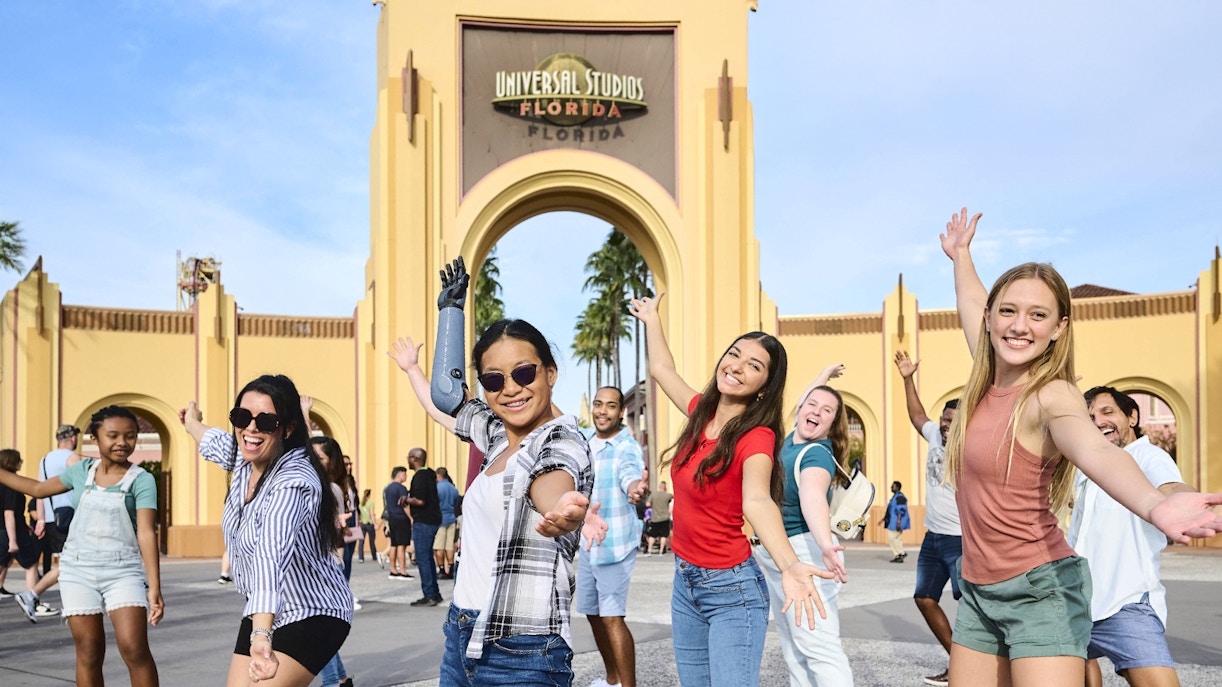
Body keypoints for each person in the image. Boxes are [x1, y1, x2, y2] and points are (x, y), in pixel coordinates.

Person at [939, 207, 1222, 687]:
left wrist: (1155, 505)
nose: (1019, 325)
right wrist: (961, 255)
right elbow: (969, 299)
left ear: (1058, 328)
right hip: (979, 590)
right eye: (1007, 310)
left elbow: (1097, 452)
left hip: (1039, 591)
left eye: (1038, 315)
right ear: (989, 318)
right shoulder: (985, 379)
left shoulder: (1051, 395)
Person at [388, 256, 605, 686]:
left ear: (550, 372)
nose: (511, 388)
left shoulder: (562, 441)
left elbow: (551, 478)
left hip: (523, 648)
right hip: (461, 632)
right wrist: (449, 315)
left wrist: (561, 508)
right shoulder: (497, 436)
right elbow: (445, 401)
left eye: (524, 372)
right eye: (493, 380)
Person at [628, 292, 832, 687]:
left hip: (731, 591)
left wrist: (789, 564)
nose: (736, 366)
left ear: (764, 387)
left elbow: (757, 500)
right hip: (685, 582)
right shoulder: (700, 413)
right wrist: (653, 319)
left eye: (753, 365)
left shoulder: (756, 437)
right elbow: (662, 369)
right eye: (734, 354)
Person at [180, 374, 352, 687]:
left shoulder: (293, 482)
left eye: (266, 421)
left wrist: (261, 635)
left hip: (313, 610)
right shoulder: (245, 457)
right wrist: (191, 421)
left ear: (289, 427)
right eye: (241, 417)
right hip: (265, 607)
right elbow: (212, 440)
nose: (251, 429)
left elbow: (270, 555)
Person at [0, 407, 162, 686]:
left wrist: (155, 587)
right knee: (88, 651)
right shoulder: (81, 471)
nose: (122, 442)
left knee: (134, 648)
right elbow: (37, 489)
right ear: (94, 439)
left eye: (130, 436)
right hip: (77, 571)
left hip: (123, 571)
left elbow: (147, 533)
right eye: (113, 435)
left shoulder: (142, 479)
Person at [1071, 387, 1191, 687]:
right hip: (1074, 602)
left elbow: (1170, 486)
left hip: (1126, 603)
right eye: (1090, 417)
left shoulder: (1148, 456)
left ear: (1132, 417)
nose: (1098, 422)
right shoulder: (1086, 465)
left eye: (1107, 412)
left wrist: (1185, 500)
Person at [753, 368, 855, 687]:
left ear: (832, 424)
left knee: (818, 647)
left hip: (805, 552)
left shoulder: (816, 455)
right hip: (781, 555)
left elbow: (813, 499)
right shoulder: (790, 440)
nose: (816, 412)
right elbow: (805, 401)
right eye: (812, 405)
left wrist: (825, 544)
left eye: (827, 411)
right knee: (794, 646)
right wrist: (823, 376)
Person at [894, 350, 961, 687]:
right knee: (924, 597)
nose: (946, 426)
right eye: (945, 419)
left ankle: (984, 669)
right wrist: (908, 379)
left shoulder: (972, 447)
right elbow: (917, 414)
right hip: (934, 536)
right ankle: (960, 664)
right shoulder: (936, 434)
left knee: (973, 608)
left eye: (953, 422)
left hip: (963, 539)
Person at [579, 385, 649, 687]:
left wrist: (635, 488)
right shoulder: (584, 441)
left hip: (615, 543)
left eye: (610, 406)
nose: (602, 411)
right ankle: (612, 681)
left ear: (621, 412)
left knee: (611, 616)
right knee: (593, 614)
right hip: (588, 543)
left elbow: (630, 473)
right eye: (598, 404)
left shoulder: (626, 446)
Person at [310, 434, 358, 687]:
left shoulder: (328, 489)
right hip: (321, 564)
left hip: (323, 566)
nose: (312, 460)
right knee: (320, 629)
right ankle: (341, 678)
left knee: (317, 631)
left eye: (319, 457)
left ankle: (331, 682)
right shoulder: (325, 486)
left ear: (332, 462)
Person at [406, 447, 443, 606]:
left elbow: (420, 500)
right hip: (433, 519)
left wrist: (406, 499)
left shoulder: (419, 476)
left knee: (423, 558)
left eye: (409, 457)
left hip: (424, 521)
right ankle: (434, 592)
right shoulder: (430, 474)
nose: (407, 460)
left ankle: (429, 594)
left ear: (415, 458)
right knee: (427, 557)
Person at [383, 466, 414, 580]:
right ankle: (403, 571)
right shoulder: (401, 488)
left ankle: (393, 570)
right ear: (400, 474)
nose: (406, 476)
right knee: (402, 545)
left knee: (393, 544)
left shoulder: (387, 488)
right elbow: (405, 504)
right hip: (401, 518)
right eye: (405, 474)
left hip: (392, 518)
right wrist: (411, 518)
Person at [434, 467, 460, 579]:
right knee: (449, 546)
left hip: (440, 519)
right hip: (451, 518)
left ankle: (441, 570)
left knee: (439, 546)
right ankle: (451, 568)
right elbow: (456, 502)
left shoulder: (437, 488)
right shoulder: (453, 488)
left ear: (438, 475)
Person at [881, 481, 910, 563]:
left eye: (893, 486)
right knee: (897, 538)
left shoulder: (900, 497)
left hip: (896, 522)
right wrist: (883, 519)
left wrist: (898, 522)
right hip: (893, 521)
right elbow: (890, 510)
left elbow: (900, 510)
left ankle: (901, 553)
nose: (891, 488)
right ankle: (898, 556)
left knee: (891, 537)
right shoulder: (895, 497)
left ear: (897, 487)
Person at [645, 481, 673, 555]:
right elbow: (673, 498)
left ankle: (649, 551)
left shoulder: (653, 494)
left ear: (659, 487)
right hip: (665, 518)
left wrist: (654, 506)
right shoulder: (668, 495)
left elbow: (647, 504)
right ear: (665, 488)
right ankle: (661, 551)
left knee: (652, 535)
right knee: (664, 535)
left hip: (655, 518)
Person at [358, 489, 377, 564]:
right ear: (369, 495)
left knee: (361, 541)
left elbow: (359, 514)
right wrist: (375, 523)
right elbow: (372, 514)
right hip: (369, 524)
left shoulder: (360, 504)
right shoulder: (370, 503)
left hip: (362, 524)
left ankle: (361, 557)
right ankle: (374, 556)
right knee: (372, 541)